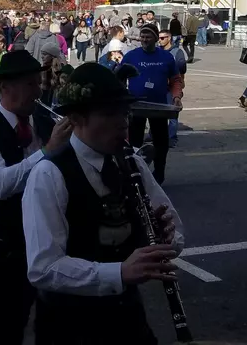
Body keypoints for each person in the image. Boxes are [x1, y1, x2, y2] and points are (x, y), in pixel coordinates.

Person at [24, 62, 184, 345]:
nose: (123, 122)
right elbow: (44, 267)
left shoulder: (131, 163)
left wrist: (165, 239)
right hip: (69, 326)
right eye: (110, 113)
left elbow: (173, 225)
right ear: (76, 117)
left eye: (124, 112)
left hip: (127, 318)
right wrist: (119, 273)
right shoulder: (48, 174)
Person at [0, 50, 75, 345]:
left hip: (50, 243)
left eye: (37, 83)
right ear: (5, 89)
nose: (38, 90)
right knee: (6, 329)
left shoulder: (44, 121)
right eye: (30, 84)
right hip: (5, 251)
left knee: (52, 327)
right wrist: (48, 150)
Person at [121, 25, 181, 183]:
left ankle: (159, 172)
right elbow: (118, 78)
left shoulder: (166, 57)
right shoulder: (131, 56)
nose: (145, 40)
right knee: (134, 142)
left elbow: (175, 80)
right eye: (143, 36)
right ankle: (135, 173)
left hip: (159, 107)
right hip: (135, 107)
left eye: (148, 37)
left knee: (161, 142)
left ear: (156, 38)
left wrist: (176, 97)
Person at [158, 30, 187, 147]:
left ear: (169, 38)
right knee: (159, 112)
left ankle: (171, 138)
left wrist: (180, 84)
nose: (160, 40)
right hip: (159, 86)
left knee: (173, 112)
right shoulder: (157, 51)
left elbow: (182, 69)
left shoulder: (177, 52)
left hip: (172, 86)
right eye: (159, 38)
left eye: (162, 38)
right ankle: (154, 134)